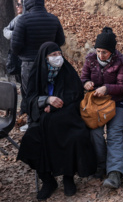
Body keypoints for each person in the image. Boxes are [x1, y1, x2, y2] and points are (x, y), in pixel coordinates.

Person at [17, 42, 96, 201]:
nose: (57, 58)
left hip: (67, 117)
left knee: (75, 137)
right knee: (31, 140)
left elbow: (76, 96)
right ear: (44, 58)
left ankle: (68, 177)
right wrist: (46, 100)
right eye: (53, 55)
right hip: (42, 120)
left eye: (59, 54)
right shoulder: (36, 73)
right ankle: (48, 180)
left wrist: (56, 107)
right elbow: (29, 99)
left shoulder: (67, 71)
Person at [80, 27, 123, 189]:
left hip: (117, 102)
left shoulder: (122, 62)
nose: (101, 55)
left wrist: (106, 88)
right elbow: (83, 78)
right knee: (95, 132)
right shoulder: (90, 59)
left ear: (112, 52)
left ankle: (115, 173)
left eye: (105, 52)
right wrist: (86, 83)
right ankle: (101, 165)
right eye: (98, 51)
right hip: (96, 105)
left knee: (114, 134)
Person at [11, 0, 65, 132]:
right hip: (51, 63)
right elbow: (61, 41)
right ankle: (50, 122)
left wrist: (24, 53)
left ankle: (33, 124)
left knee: (31, 94)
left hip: (29, 63)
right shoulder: (53, 19)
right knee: (50, 91)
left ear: (26, 3)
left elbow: (15, 46)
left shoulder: (23, 20)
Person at [3, 0, 26, 115]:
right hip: (19, 58)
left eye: (19, 4)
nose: (17, 6)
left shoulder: (22, 19)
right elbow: (5, 31)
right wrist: (17, 34)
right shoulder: (18, 18)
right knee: (23, 85)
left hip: (25, 58)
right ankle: (23, 110)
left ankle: (25, 110)